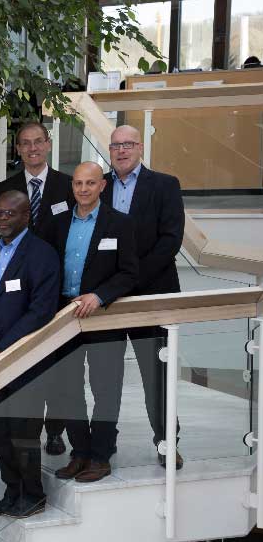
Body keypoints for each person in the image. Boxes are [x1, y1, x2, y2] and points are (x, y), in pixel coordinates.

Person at [0, 191, 61, 519]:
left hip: (25, 363)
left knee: (24, 434)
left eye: (10, 213)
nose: (2, 219)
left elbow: (40, 311)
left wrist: (1, 349)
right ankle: (12, 490)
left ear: (26, 216)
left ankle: (33, 494)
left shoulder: (43, 255)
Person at [101, 124, 185, 470]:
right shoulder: (100, 187)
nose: (122, 151)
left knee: (156, 376)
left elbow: (170, 240)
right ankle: (103, 446)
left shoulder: (165, 185)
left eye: (128, 144)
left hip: (151, 295)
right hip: (108, 301)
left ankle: (167, 443)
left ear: (140, 148)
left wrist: (131, 279)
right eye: (116, 145)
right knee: (106, 377)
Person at [49, 162, 139, 483]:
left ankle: (101, 456)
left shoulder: (120, 224)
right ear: (71, 187)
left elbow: (129, 272)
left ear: (103, 186)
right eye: (77, 184)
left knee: (106, 388)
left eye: (90, 183)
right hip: (65, 320)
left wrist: (100, 295)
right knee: (68, 388)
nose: (83, 189)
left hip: (104, 318)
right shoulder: (57, 222)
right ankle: (81, 452)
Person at [0, 121, 75, 456]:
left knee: (59, 369)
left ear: (48, 143)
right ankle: (21, 428)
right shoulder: (5, 188)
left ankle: (55, 430)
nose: (32, 149)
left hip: (59, 295)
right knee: (24, 368)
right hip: (17, 297)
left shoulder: (70, 186)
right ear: (17, 148)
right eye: (25, 143)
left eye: (38, 142)